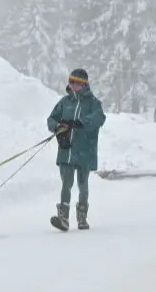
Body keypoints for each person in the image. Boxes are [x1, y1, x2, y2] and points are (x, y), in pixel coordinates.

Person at [46, 68, 106, 231]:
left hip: (85, 151)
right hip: (66, 150)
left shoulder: (94, 103)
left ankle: (82, 217)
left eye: (76, 82)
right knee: (66, 183)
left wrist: (80, 123)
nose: (72, 85)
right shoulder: (64, 102)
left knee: (82, 184)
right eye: (70, 82)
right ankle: (63, 218)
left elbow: (99, 118)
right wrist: (57, 126)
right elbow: (51, 119)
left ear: (84, 84)